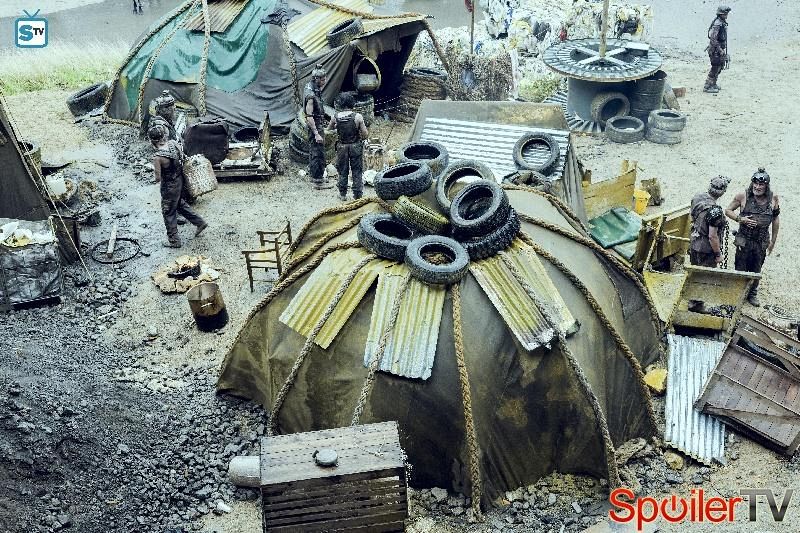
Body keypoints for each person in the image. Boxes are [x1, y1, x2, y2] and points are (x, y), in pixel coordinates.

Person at [724, 168, 780, 306]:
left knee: (757, 267)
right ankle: (738, 293)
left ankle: (752, 293)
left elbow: (775, 219)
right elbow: (728, 210)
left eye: (761, 184)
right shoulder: (742, 196)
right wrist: (740, 219)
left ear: (766, 186)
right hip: (744, 240)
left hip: (761, 241)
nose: (757, 187)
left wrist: (773, 241)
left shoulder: (773, 198)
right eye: (755, 183)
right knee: (740, 267)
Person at [149, 124, 208, 248]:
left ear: (152, 141)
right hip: (180, 181)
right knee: (179, 204)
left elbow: (158, 178)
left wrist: (154, 176)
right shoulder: (173, 143)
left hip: (169, 187)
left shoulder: (158, 157)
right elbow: (182, 157)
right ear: (164, 135)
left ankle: (174, 241)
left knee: (168, 211)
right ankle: (200, 222)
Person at [328, 93, 368, 201]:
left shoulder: (335, 117)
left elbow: (329, 130)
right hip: (355, 146)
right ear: (351, 103)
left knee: (342, 170)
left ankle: (342, 194)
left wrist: (337, 127)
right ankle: (357, 196)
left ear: (340, 103)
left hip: (342, 147)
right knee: (357, 171)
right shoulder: (358, 117)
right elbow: (365, 134)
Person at [689, 175, 730, 267]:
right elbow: (712, 236)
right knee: (706, 275)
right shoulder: (716, 211)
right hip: (706, 250)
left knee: (694, 272)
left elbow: (691, 216)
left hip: (694, 243)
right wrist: (718, 255)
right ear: (723, 192)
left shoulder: (697, 197)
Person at [304, 64, 333, 190]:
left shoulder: (313, 87)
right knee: (318, 153)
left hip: (318, 122)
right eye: (322, 79)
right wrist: (316, 133)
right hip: (315, 125)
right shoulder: (311, 95)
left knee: (314, 151)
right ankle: (318, 181)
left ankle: (314, 175)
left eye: (325, 78)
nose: (324, 81)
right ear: (316, 79)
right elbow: (309, 116)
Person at [704, 6, 730, 94]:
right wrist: (720, 50)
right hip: (715, 50)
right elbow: (713, 39)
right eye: (725, 14)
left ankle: (713, 84)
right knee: (715, 68)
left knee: (719, 67)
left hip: (718, 49)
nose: (726, 16)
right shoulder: (717, 24)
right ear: (720, 14)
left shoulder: (722, 23)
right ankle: (707, 86)